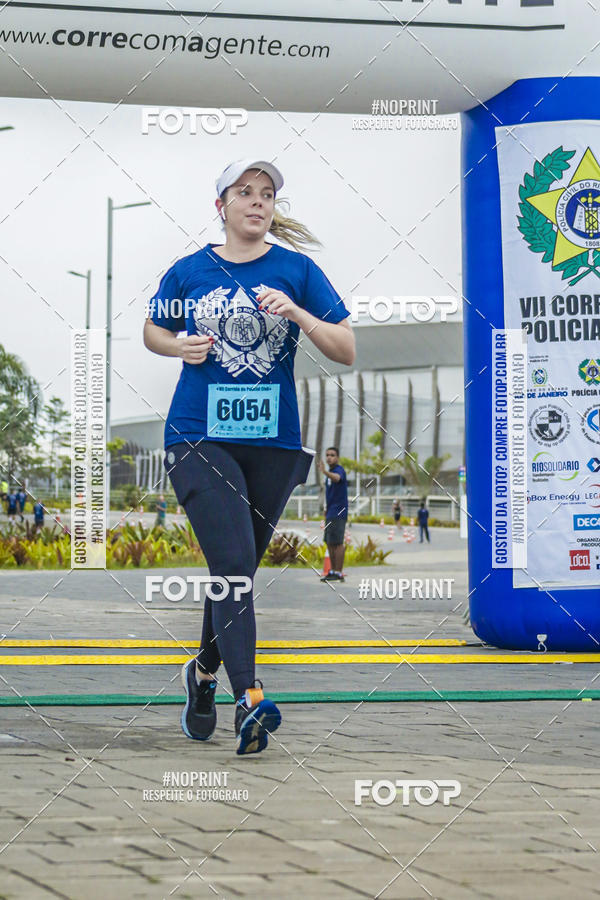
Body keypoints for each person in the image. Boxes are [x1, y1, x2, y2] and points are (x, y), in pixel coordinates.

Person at [144, 158, 355, 755]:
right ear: (223, 206)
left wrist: (298, 314)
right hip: (197, 437)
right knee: (233, 564)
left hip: (273, 445)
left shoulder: (297, 270)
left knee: (233, 574)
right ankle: (251, 699)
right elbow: (152, 330)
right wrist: (177, 345)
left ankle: (202, 675)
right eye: (245, 193)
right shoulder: (189, 270)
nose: (258, 202)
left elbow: (346, 348)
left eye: (266, 195)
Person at [318, 447, 348, 582]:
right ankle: (332, 571)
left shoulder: (338, 470)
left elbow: (337, 479)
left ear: (337, 458)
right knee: (329, 542)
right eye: (327, 455)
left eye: (332, 455)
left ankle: (339, 572)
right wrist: (326, 508)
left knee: (338, 542)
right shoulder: (329, 473)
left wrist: (324, 471)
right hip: (330, 511)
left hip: (339, 511)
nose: (329, 457)